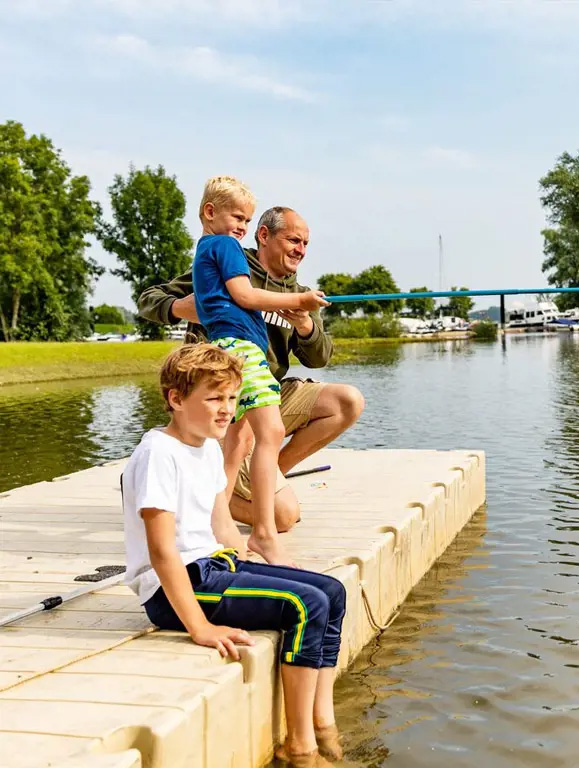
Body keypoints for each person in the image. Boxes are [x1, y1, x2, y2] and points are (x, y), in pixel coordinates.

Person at [122, 344, 343, 767]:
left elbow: (221, 524)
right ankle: (300, 745)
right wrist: (200, 627)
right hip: (175, 589)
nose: (227, 410)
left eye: (231, 398)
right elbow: (162, 551)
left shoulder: (207, 446)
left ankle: (323, 720)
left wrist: (261, 568)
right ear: (176, 399)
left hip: (214, 568)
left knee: (331, 591)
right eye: (214, 399)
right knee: (306, 605)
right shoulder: (158, 454)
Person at [137, 206, 365, 533]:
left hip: (266, 394)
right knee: (284, 516)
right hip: (222, 403)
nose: (301, 250)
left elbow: (320, 359)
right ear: (264, 236)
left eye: (305, 244)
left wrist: (305, 326)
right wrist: (183, 307)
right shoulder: (226, 262)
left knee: (347, 401)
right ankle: (203, 496)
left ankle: (267, 474)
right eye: (293, 240)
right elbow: (148, 299)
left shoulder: (300, 294)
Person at [190, 176, 329, 566]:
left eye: (247, 221)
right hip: (242, 347)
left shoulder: (206, 248)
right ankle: (265, 534)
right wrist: (299, 299)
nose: (243, 228)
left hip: (226, 346)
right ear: (210, 212)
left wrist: (301, 313)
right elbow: (245, 295)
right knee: (270, 433)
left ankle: (218, 526)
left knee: (237, 443)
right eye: (238, 218)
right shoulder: (226, 247)